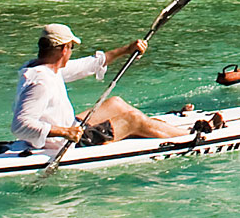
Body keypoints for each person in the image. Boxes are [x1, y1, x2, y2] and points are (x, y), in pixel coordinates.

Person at [11, 23, 187, 149]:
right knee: (133, 120)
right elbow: (20, 125)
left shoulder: (44, 67)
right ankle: (190, 137)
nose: (71, 52)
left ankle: (160, 128)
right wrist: (65, 132)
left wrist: (127, 49)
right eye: (71, 47)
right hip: (65, 142)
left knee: (116, 103)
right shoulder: (40, 83)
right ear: (64, 49)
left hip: (69, 127)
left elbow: (87, 64)